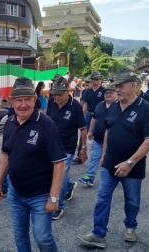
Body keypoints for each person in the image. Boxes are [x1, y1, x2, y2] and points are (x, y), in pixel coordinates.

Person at [77, 71, 149, 248]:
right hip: (109, 163)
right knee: (103, 197)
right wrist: (104, 154)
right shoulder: (113, 107)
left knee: (132, 200)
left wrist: (130, 163)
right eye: (116, 86)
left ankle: (130, 227)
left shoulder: (145, 108)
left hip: (133, 167)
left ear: (133, 86)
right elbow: (107, 132)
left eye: (121, 86)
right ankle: (98, 234)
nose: (117, 89)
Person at [0, 77, 66, 252]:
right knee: (20, 234)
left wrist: (54, 198)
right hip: (15, 192)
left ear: (34, 100)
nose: (23, 105)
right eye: (18, 100)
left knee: (43, 238)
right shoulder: (9, 122)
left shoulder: (46, 124)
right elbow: (5, 155)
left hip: (40, 195)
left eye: (27, 99)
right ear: (11, 101)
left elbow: (59, 163)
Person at [46, 76, 87, 220]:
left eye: (59, 94)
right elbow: (46, 120)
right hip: (51, 146)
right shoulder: (51, 102)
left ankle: (59, 206)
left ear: (67, 92)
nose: (56, 97)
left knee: (60, 178)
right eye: (54, 94)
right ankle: (70, 185)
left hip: (67, 148)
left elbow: (82, 129)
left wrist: (83, 148)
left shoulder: (75, 106)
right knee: (49, 174)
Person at [79, 83, 117, 187]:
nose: (108, 94)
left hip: (113, 141)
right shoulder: (100, 105)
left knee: (113, 160)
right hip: (98, 139)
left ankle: (116, 178)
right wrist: (90, 131)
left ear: (116, 94)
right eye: (106, 93)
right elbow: (94, 118)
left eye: (111, 92)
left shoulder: (119, 106)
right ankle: (89, 178)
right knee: (93, 159)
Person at [73, 71, 104, 165]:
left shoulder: (104, 91)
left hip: (99, 117)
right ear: (92, 80)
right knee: (83, 135)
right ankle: (80, 155)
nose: (98, 81)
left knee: (101, 136)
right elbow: (85, 104)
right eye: (96, 79)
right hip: (89, 115)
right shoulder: (87, 91)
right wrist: (81, 117)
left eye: (99, 79)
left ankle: (103, 157)